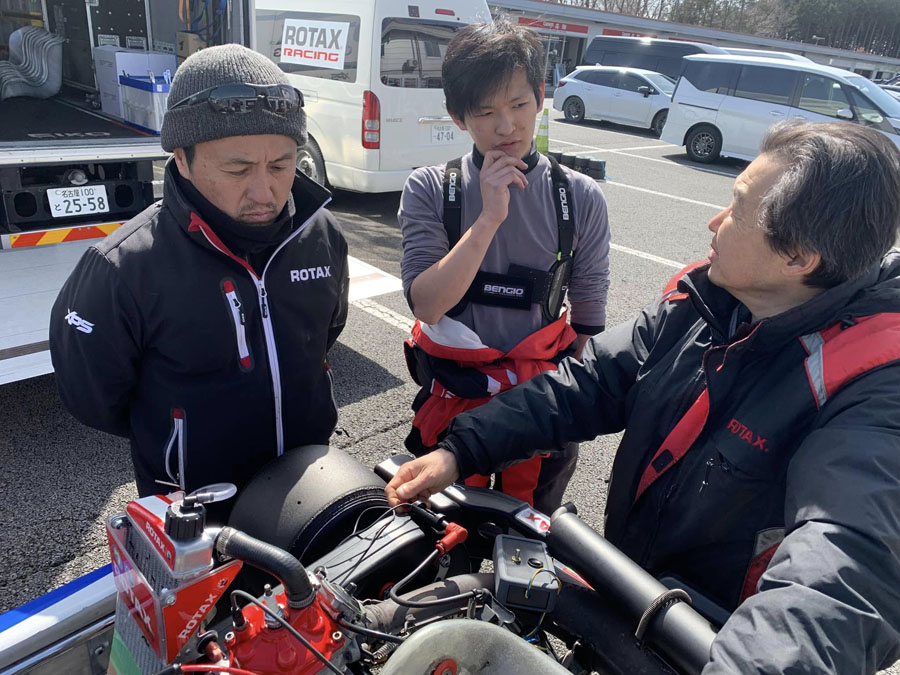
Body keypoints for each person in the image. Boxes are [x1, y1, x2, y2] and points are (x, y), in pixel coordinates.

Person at [387, 121, 900, 672]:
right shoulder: (705, 302)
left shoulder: (874, 387)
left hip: (709, 647)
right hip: (628, 601)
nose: (715, 221)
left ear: (798, 257)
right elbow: (588, 383)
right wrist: (461, 450)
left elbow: (845, 567)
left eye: (737, 208)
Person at [50, 45, 348, 499]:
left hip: (308, 485)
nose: (264, 191)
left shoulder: (321, 233)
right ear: (181, 159)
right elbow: (93, 398)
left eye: (281, 164)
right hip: (194, 503)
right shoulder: (123, 268)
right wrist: (178, 442)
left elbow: (328, 331)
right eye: (237, 169)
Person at [398, 18, 610, 515]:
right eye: (486, 112)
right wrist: (489, 218)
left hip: (539, 402)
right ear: (458, 117)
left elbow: (588, 318)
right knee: (445, 525)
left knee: (532, 530)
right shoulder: (431, 188)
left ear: (541, 98)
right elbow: (428, 305)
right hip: (455, 393)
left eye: (518, 105)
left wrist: (561, 406)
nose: (507, 127)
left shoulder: (578, 196)